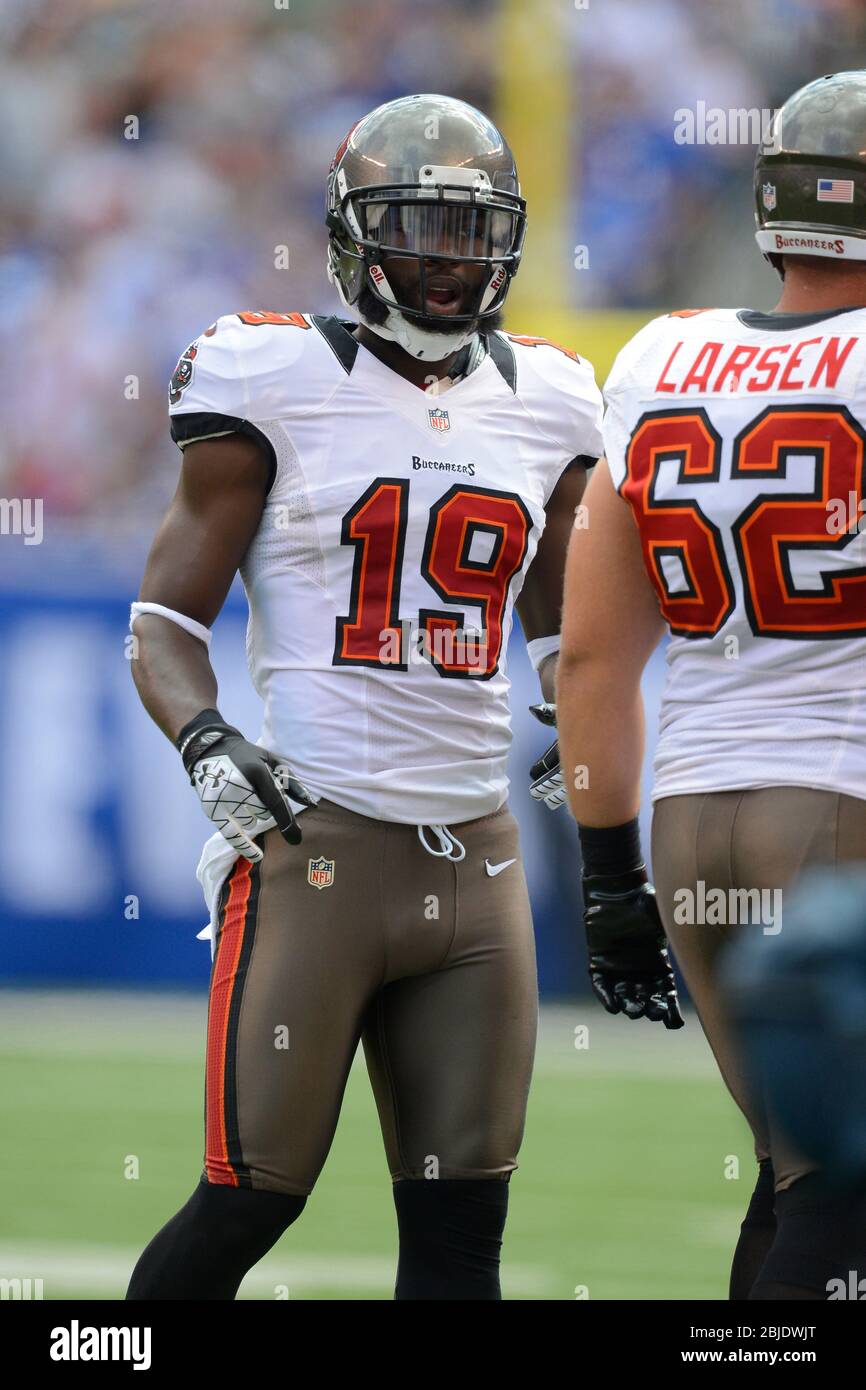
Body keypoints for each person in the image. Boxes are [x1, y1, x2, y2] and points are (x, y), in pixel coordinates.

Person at [125, 93, 604, 1301]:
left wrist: (574, 712)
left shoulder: (550, 397)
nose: (449, 260)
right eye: (419, 228)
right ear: (352, 235)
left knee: (459, 1246)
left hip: (479, 863)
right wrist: (203, 734)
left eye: (470, 231)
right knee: (246, 1203)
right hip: (314, 840)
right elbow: (163, 625)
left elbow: (560, 625)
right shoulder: (272, 372)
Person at [555, 71, 866, 1300]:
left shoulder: (657, 355)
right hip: (840, 810)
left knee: (795, 1171)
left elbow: (590, 657)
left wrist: (606, 876)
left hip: (692, 821)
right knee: (837, 1189)